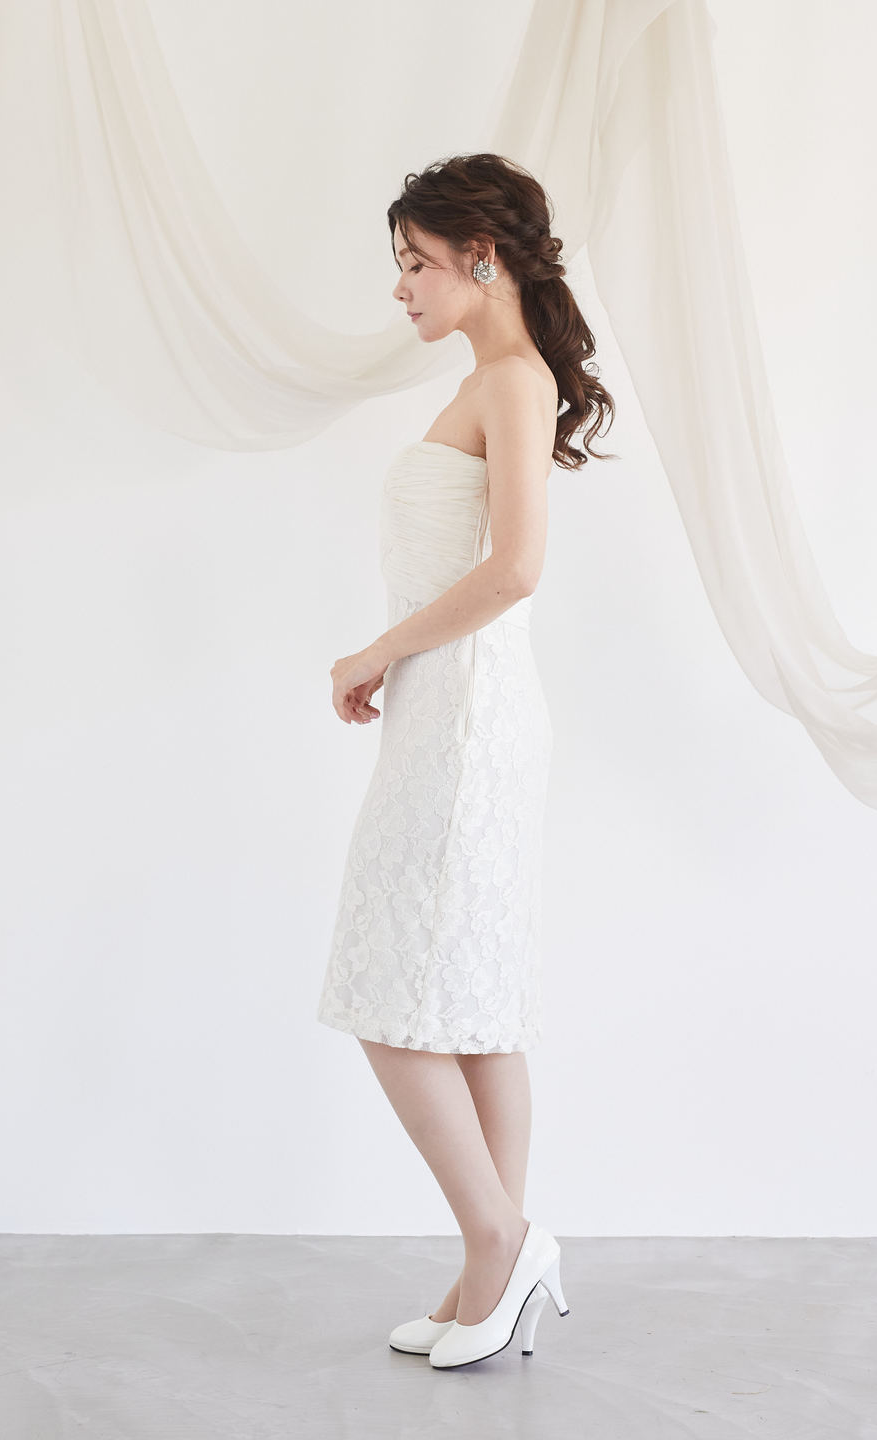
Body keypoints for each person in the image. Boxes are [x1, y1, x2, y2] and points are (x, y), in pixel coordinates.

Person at [316, 153, 615, 1367]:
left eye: (416, 263)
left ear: (481, 259)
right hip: (456, 709)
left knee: (392, 990)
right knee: (473, 1001)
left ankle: (501, 1241)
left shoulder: (512, 380)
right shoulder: (494, 379)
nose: (401, 287)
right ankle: (492, 1263)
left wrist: (375, 650)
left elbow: (517, 569)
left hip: (469, 714)